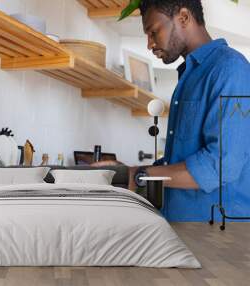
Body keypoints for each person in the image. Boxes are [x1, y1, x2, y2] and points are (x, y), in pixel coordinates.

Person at [94, 0, 250, 221]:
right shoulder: (189, 77)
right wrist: (129, 171)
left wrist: (139, 175)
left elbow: (221, 164)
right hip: (183, 230)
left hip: (217, 236)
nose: (149, 44)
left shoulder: (231, 69)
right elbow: (177, 163)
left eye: (153, 31)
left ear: (184, 17)